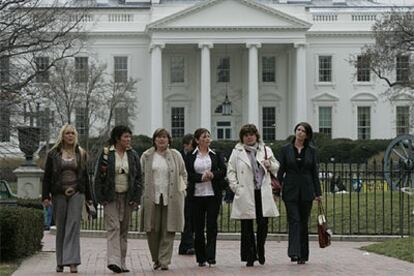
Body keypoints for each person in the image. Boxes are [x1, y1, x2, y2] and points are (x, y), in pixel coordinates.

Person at [227, 124, 280, 267]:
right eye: (246, 135)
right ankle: (250, 255)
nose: (249, 137)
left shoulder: (265, 150)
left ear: (256, 136)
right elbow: (231, 171)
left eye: (251, 134)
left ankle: (260, 249)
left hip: (261, 191)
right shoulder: (237, 152)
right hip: (245, 192)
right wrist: (235, 187)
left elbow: (277, 167)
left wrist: (270, 165)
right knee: (247, 226)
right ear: (242, 137)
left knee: (263, 224)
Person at [42, 124, 92, 273]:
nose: (70, 136)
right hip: (59, 194)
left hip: (77, 193)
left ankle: (72, 262)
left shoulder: (81, 153)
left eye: (72, 133)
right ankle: (60, 261)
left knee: (73, 226)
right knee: (61, 228)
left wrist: (89, 198)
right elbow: (47, 177)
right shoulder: (53, 154)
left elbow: (85, 177)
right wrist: (45, 196)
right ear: (62, 136)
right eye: (67, 133)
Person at [95, 125, 142, 273]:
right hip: (110, 197)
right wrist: (100, 197)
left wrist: (136, 197)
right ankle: (113, 261)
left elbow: (138, 177)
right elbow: (97, 178)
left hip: (128, 196)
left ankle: (122, 262)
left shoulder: (133, 155)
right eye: (125, 137)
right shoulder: (106, 154)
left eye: (129, 137)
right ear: (117, 138)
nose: (128, 139)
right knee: (114, 227)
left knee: (123, 230)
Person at [140, 128, 187, 271]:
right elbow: (140, 176)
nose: (161, 140)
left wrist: (182, 191)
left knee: (169, 228)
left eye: (164, 137)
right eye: (159, 137)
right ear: (154, 140)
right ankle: (156, 258)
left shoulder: (175, 155)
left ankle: (164, 260)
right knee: (152, 229)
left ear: (169, 140)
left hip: (171, 197)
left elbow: (183, 174)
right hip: (152, 197)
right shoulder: (147, 156)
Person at [277, 122, 322, 264]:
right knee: (294, 220)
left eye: (303, 131)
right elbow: (281, 171)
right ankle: (294, 252)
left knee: (303, 222)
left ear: (307, 135)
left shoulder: (312, 151)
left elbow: (314, 173)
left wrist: (318, 193)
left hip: (307, 191)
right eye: (298, 130)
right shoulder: (286, 149)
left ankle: (303, 254)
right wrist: (276, 190)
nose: (300, 132)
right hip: (290, 191)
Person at [185, 128, 227, 267]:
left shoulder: (216, 154)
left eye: (208, 136)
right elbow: (188, 174)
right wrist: (200, 177)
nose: (207, 139)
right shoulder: (191, 155)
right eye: (204, 137)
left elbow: (223, 170)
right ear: (197, 140)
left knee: (211, 226)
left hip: (212, 195)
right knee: (198, 227)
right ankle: (201, 257)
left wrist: (213, 175)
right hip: (196, 196)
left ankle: (211, 256)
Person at [178, 134, 195, 255]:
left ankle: (185, 246)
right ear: (185, 145)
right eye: (191, 145)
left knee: (191, 219)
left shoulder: (195, 155)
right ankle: (188, 244)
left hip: (193, 191)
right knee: (186, 219)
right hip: (182, 190)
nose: (194, 147)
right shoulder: (178, 156)